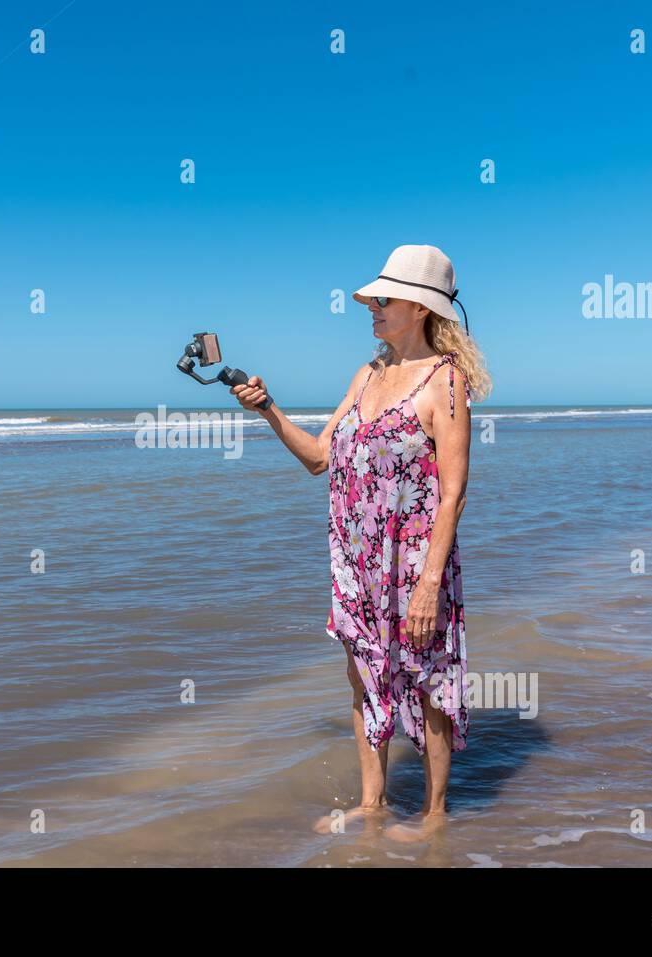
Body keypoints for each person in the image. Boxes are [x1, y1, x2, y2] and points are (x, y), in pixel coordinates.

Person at [231, 244, 491, 841]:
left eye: (384, 298)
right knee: (362, 677)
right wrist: (266, 408)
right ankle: (373, 803)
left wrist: (429, 586)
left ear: (421, 309)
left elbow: (453, 494)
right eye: (372, 298)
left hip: (415, 567)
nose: (370, 306)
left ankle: (434, 816)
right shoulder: (367, 374)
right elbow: (320, 457)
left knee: (428, 682)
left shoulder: (444, 382)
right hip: (355, 563)